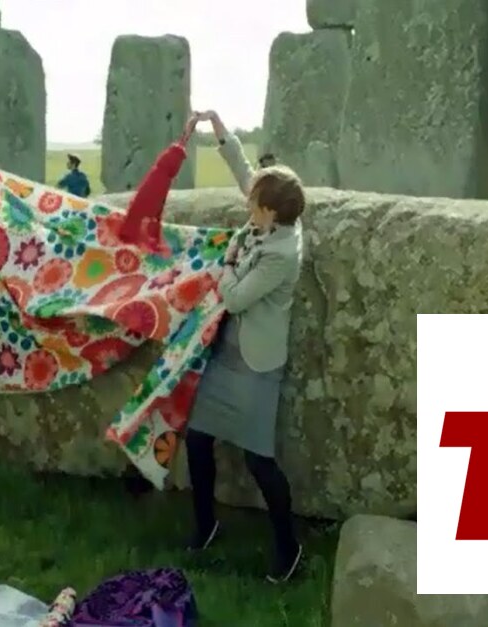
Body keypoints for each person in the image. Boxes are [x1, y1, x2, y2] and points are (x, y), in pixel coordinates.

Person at [182, 110, 304, 583]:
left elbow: (234, 297)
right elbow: (248, 176)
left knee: (259, 460)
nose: (248, 203)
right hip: (228, 354)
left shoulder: (281, 252)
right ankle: (205, 524)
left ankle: (288, 549)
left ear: (270, 212)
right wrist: (220, 130)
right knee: (198, 438)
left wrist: (226, 264)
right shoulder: (271, 220)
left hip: (256, 366)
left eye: (255, 203)